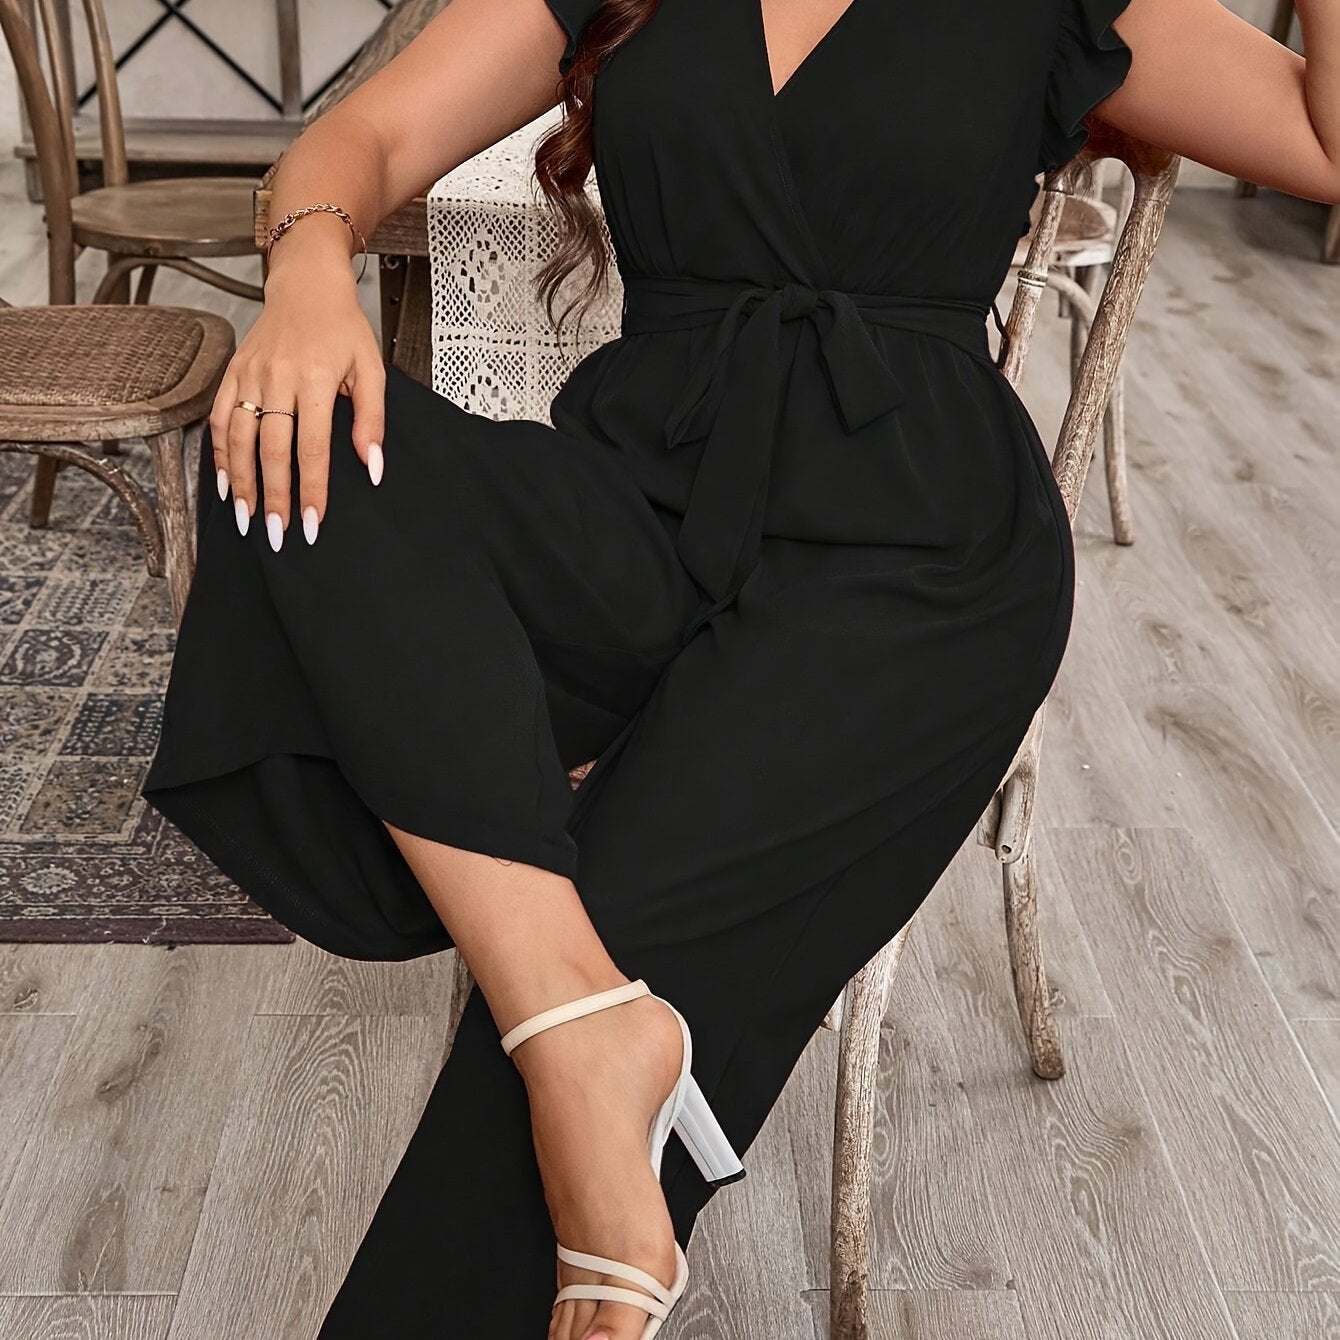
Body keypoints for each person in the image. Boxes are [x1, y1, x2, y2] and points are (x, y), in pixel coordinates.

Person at [138, 0, 1340, 1336]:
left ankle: (568, 1037)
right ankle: (576, 1021)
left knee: (613, 955)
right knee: (289, 452)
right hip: (653, 491)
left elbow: (1321, 141)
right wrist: (308, 284)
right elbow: (356, 139)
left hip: (914, 553)